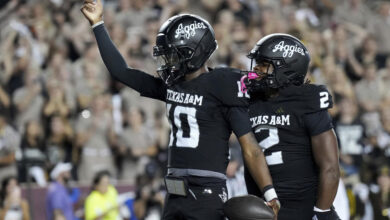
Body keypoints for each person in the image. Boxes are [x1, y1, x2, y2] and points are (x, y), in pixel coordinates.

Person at [80, 0, 280, 219]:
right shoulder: (173, 84)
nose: (168, 61)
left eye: (173, 55)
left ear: (194, 53)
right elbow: (121, 72)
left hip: (206, 192)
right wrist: (98, 24)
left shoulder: (224, 84)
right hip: (175, 191)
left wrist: (269, 193)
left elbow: (250, 147)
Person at [241, 33, 341, 220]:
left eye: (263, 64)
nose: (256, 69)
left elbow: (330, 167)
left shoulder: (308, 100)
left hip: (307, 206)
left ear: (285, 68)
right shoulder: (251, 100)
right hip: (270, 206)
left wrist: (322, 212)